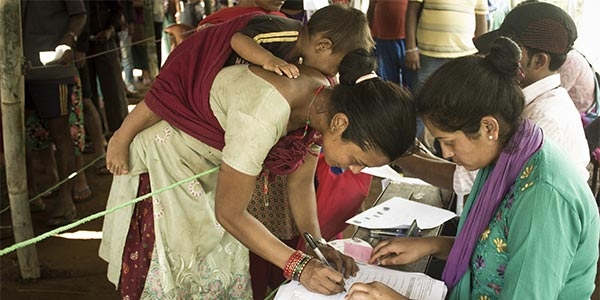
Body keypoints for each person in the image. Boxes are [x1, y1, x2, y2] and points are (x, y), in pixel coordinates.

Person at [99, 50, 417, 299]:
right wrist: (299, 266)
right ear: (341, 125)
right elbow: (230, 212)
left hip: (211, 171)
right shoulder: (266, 112)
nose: (356, 171)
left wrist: (317, 245)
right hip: (169, 166)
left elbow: (301, 181)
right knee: (173, 273)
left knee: (215, 268)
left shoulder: (327, 102)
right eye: (359, 159)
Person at [346, 37, 599, 300]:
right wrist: (431, 244)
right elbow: (495, 249)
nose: (446, 154)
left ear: (489, 127)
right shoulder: (509, 157)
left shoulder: (543, 198)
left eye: (449, 142)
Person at [106, 4, 374, 175]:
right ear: (323, 46)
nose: (331, 75)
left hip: (218, 68)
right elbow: (238, 39)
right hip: (197, 57)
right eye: (335, 67)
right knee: (164, 97)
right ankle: (121, 136)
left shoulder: (300, 53)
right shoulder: (286, 33)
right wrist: (269, 60)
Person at [22, 0, 87, 226]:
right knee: (17, 136)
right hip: (17, 69)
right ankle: (29, 194)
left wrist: (68, 39)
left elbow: (79, 15)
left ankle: (65, 201)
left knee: (60, 133)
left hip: (51, 69)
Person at [405, 0, 488, 144]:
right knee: (419, 107)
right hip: (429, 55)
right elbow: (411, 11)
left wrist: (483, 54)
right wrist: (410, 48)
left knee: (458, 108)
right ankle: (412, 151)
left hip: (463, 57)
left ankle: (449, 151)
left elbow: (481, 18)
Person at [367, 0, 411, 89]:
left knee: (410, 81)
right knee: (386, 82)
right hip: (381, 39)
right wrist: (368, 33)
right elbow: (371, 8)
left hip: (408, 40)